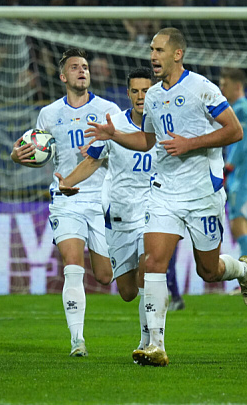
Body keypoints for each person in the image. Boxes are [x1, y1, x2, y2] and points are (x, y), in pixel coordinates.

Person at [85, 28, 247, 367]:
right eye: (151, 49)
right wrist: (115, 134)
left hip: (202, 194)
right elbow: (148, 141)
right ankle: (156, 344)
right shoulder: (151, 96)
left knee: (208, 270)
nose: (153, 56)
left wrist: (190, 144)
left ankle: (241, 270)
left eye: (159, 49)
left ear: (177, 54)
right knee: (152, 264)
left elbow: (234, 131)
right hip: (164, 192)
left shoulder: (202, 89)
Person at [10, 48, 119, 357]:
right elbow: (35, 151)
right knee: (73, 266)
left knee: (105, 276)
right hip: (65, 198)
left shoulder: (108, 109)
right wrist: (16, 156)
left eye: (84, 66)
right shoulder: (48, 114)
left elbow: (119, 152)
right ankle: (77, 340)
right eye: (74, 67)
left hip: (101, 198)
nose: (82, 70)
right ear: (63, 76)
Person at [56, 67, 157, 353]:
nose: (141, 96)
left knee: (148, 273)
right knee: (127, 292)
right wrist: (68, 182)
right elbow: (92, 161)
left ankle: (148, 341)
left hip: (153, 211)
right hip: (120, 217)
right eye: (135, 91)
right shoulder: (114, 125)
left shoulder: (164, 126)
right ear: (128, 93)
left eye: (146, 91)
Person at [219, 68, 247, 284]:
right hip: (241, 178)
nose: (221, 88)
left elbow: (242, 144)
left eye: (224, 84)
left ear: (237, 86)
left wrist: (228, 167)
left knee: (240, 225)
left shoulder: (243, 110)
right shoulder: (237, 109)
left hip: (246, 178)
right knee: (238, 226)